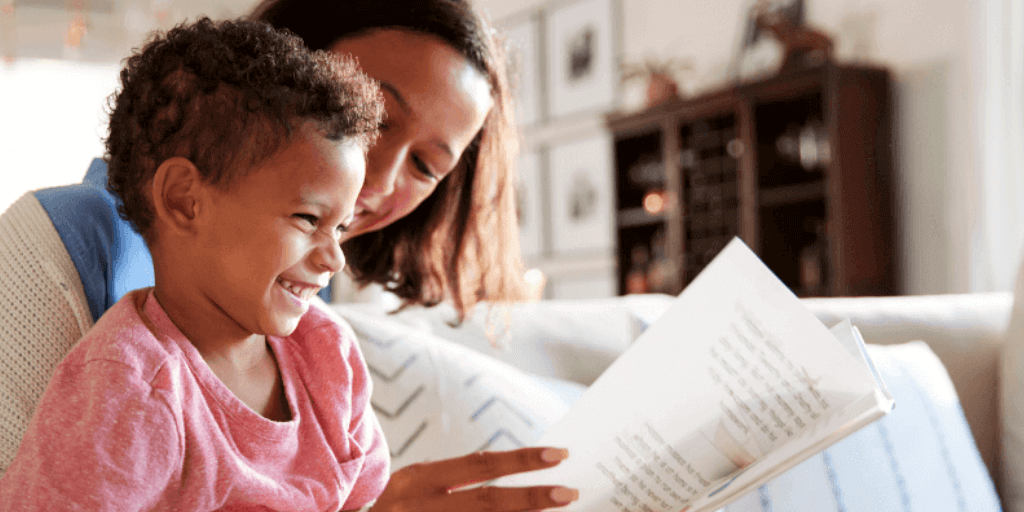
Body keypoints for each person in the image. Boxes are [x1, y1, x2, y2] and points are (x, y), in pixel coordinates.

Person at [0, 17, 392, 509]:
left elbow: (364, 499)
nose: (334, 256)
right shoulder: (130, 389)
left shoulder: (328, 354)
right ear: (185, 201)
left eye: (340, 227)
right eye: (307, 218)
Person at [249, 1, 583, 511]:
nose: (380, 180)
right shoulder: (123, 262)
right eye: (375, 117)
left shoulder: (316, 328)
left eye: (425, 165)